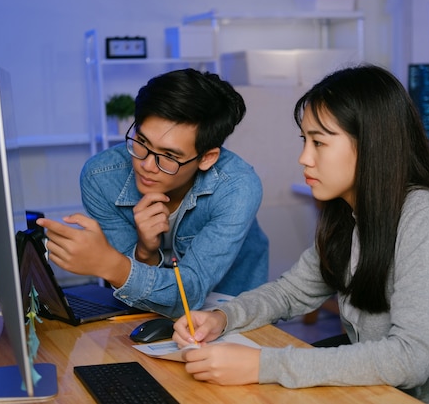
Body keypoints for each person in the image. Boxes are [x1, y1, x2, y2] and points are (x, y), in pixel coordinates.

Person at [172, 65, 429, 404]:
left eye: (319, 143)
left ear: (371, 144)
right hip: (373, 392)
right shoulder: (347, 212)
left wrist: (262, 365)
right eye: (304, 140)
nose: (304, 158)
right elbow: (290, 293)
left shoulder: (423, 215)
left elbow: (411, 358)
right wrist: (222, 318)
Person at [37, 68, 269, 317]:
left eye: (169, 156)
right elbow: (137, 291)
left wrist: (110, 265)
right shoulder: (101, 177)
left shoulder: (237, 187)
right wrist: (144, 252)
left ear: (207, 158)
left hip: (232, 310)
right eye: (142, 142)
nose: (146, 165)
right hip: (148, 316)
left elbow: (189, 293)